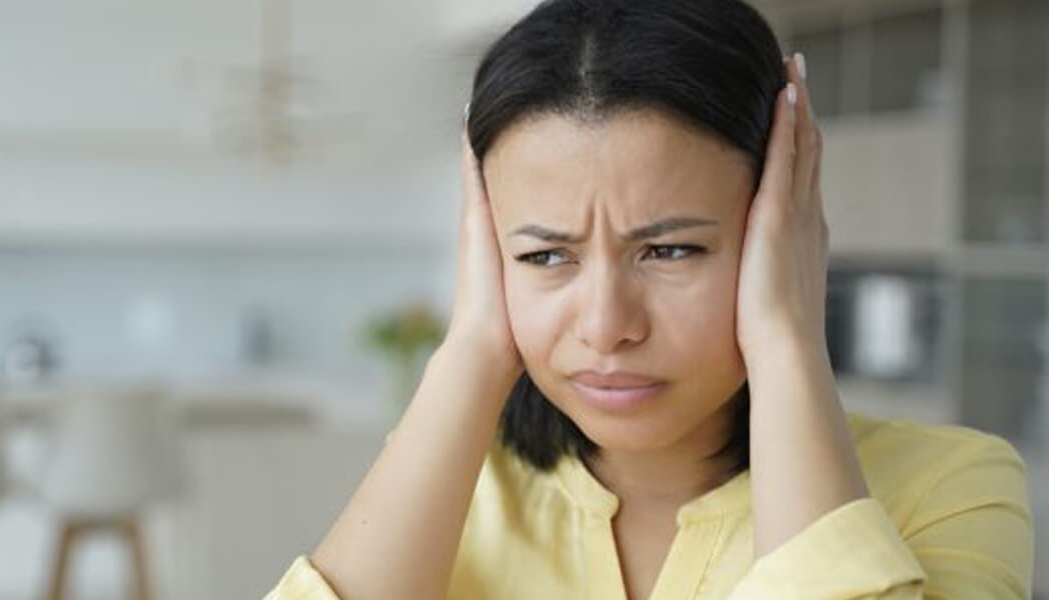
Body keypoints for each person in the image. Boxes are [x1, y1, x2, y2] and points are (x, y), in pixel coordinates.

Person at [266, 0, 1034, 597]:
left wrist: (787, 341)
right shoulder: (450, 489)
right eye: (544, 255)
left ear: (785, 228)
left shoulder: (952, 486)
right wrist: (471, 345)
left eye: (670, 249)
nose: (606, 327)